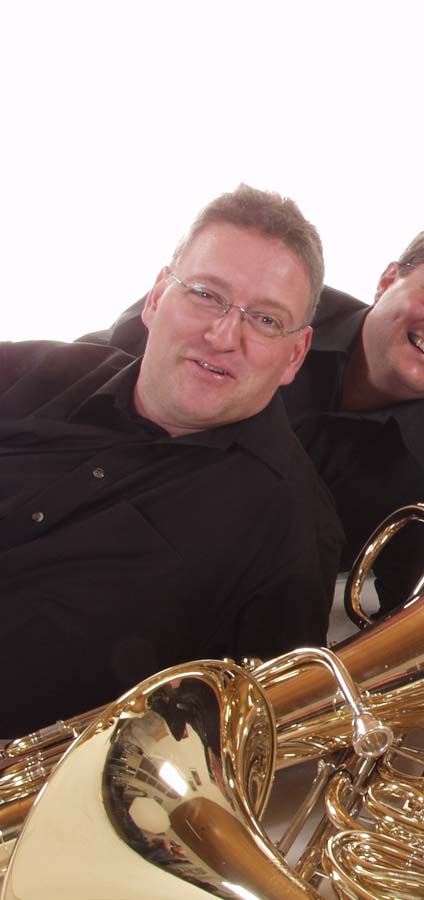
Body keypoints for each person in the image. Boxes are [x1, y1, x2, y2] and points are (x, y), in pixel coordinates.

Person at [1, 185, 342, 736]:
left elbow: (249, 739)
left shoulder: (292, 536)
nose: (223, 335)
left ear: (294, 355)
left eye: (265, 320)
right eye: (206, 294)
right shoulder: (31, 370)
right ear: (158, 296)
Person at [88, 220, 424, 609]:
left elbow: (421, 621)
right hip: (102, 517)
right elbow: (98, 371)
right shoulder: (276, 307)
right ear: (387, 280)